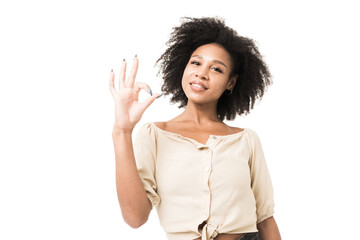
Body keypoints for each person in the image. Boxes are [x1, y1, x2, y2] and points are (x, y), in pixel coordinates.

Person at [109, 17, 281, 240]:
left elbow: (265, 219)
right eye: (196, 63)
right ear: (184, 66)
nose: (202, 73)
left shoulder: (246, 140)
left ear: (231, 82)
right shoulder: (154, 135)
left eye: (217, 69)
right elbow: (135, 218)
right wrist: (122, 131)